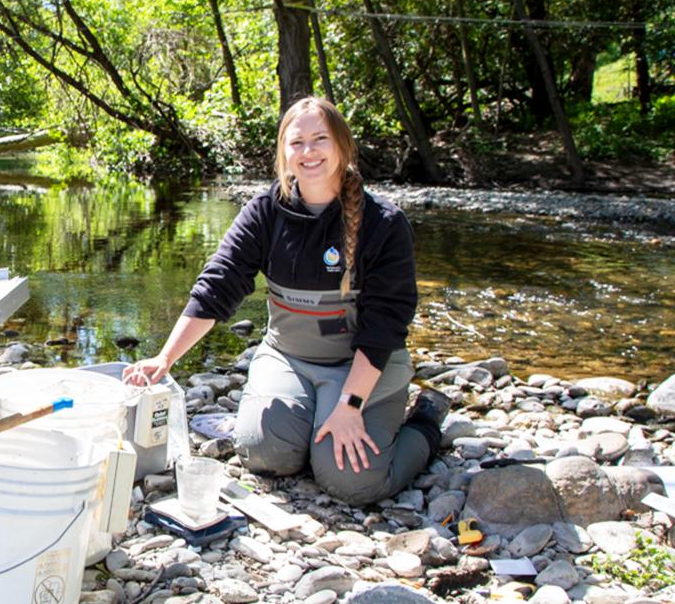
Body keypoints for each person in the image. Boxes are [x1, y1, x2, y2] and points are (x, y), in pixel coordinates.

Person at [125, 96, 450, 506]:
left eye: (320, 139)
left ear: (343, 146)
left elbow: (385, 326)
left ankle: (425, 420)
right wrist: (165, 359)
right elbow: (217, 285)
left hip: (362, 366)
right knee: (264, 453)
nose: (308, 152)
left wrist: (350, 406)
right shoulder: (264, 212)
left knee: (355, 482)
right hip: (289, 360)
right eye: (296, 143)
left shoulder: (384, 224)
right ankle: (312, 424)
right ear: (283, 151)